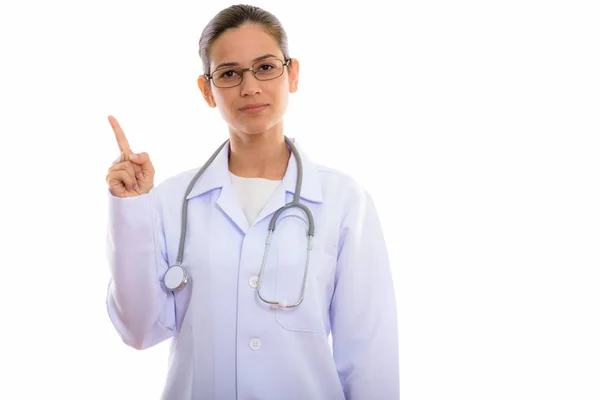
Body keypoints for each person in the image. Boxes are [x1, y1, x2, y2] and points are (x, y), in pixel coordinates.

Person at [104, 4, 399, 399]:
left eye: (265, 67)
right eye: (229, 73)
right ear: (207, 90)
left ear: (292, 74)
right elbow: (138, 330)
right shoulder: (170, 201)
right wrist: (131, 211)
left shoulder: (344, 202)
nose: (250, 87)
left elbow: (369, 356)